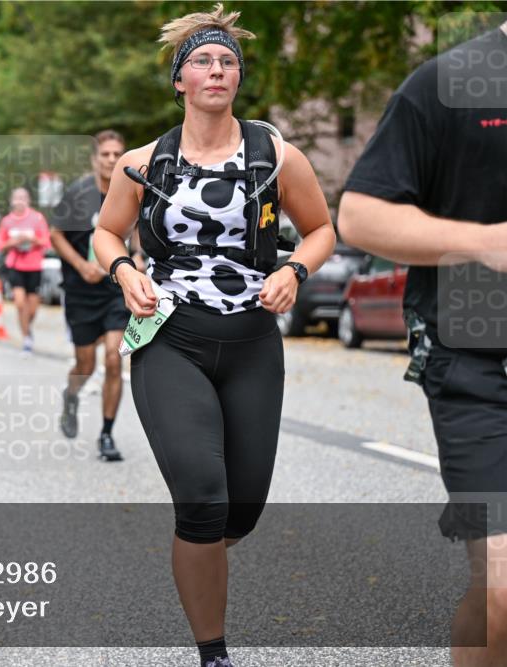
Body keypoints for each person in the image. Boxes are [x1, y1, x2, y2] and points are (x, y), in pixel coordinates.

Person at [92, 5, 336, 666]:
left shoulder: (275, 153)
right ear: (179, 79)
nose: (217, 69)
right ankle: (214, 652)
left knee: (242, 509)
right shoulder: (144, 162)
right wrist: (121, 270)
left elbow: (321, 229)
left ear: (238, 77)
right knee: (202, 495)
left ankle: (195, 554)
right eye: (202, 59)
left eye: (227, 60)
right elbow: (106, 231)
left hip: (254, 340)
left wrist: (294, 268)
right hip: (171, 334)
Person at [338, 21, 507, 667]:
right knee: (502, 587)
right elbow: (361, 214)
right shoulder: (449, 81)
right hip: (481, 367)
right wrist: (486, 243)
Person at [50, 129, 130, 462]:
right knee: (85, 364)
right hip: (82, 291)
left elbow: (138, 232)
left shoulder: (129, 189)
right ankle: (71, 396)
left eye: (116, 154)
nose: (111, 160)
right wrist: (82, 266)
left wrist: (135, 258)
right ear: (94, 159)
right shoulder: (77, 193)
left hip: (115, 287)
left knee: (114, 357)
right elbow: (55, 235)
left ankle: (106, 435)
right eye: (105, 154)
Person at [0, 187, 51, 355]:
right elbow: (0, 246)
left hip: (34, 266)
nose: (20, 201)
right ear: (12, 201)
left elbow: (47, 242)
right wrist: (13, 242)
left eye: (23, 198)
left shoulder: (37, 218)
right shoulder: (6, 221)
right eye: (17, 198)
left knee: (32, 308)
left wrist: (32, 239)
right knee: (20, 303)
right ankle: (26, 338)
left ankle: (28, 327)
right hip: (15, 265)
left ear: (28, 200)